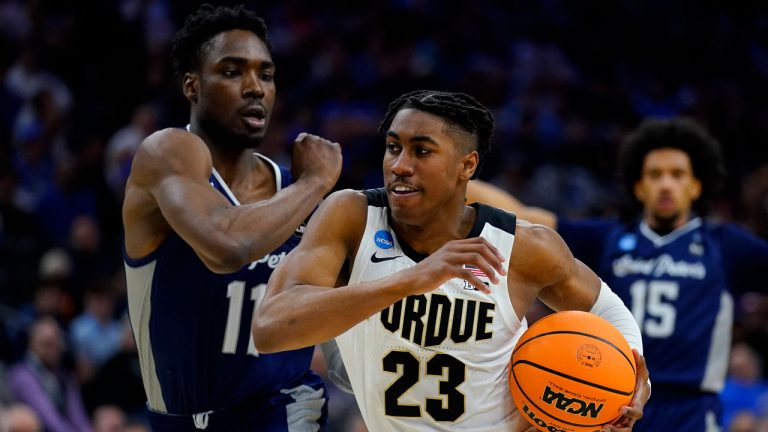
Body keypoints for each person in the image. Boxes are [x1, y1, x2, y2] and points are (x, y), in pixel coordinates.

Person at [253, 90, 650, 431]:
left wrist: (632, 381)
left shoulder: (522, 246)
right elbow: (271, 328)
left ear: (467, 166)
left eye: (421, 150)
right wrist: (413, 279)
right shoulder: (352, 217)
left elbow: (606, 307)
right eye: (393, 147)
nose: (399, 165)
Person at [465, 117, 768, 431]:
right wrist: (451, 179)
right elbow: (524, 218)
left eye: (678, 175)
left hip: (690, 409)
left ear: (696, 185)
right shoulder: (607, 237)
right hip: (611, 401)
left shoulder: (726, 245)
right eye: (655, 175)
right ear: (638, 186)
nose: (666, 184)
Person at [121, 4, 342, 431]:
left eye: (266, 74)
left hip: (285, 408)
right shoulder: (165, 154)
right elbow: (227, 247)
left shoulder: (291, 188)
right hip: (182, 418)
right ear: (192, 86)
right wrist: (313, 184)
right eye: (232, 71)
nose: (255, 87)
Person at [7, 317, 92, 432]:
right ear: (32, 344)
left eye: (57, 344)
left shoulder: (65, 376)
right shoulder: (22, 375)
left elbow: (79, 417)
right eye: (47, 344)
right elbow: (51, 421)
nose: (53, 349)